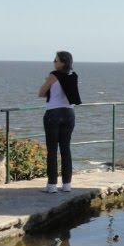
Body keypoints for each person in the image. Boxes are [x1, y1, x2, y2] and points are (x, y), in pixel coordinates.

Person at [38, 51, 82, 193]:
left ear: (62, 62)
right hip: (69, 113)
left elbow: (41, 93)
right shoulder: (72, 76)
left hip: (54, 113)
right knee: (65, 149)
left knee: (52, 150)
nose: (54, 62)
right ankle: (67, 185)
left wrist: (48, 81)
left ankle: (51, 186)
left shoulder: (53, 76)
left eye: (56, 60)